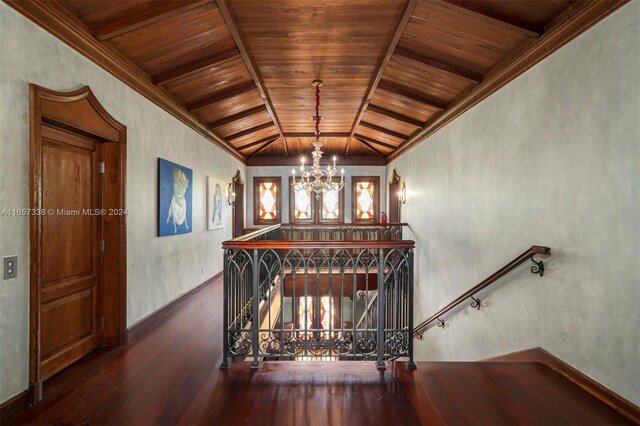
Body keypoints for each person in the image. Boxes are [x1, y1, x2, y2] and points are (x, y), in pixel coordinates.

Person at [167, 167, 189, 233]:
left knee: (183, 212)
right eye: (178, 173)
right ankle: (174, 226)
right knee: (173, 211)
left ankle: (185, 224)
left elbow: (184, 189)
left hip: (181, 199)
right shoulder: (176, 183)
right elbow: (177, 190)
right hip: (177, 199)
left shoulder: (182, 182)